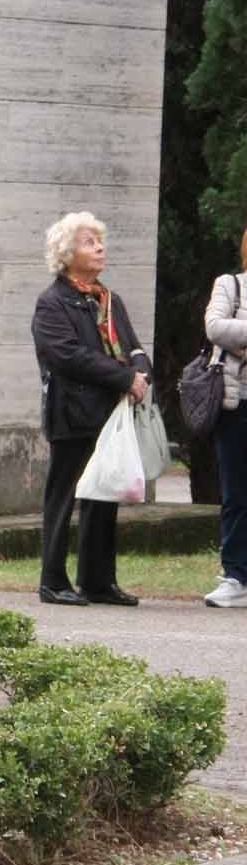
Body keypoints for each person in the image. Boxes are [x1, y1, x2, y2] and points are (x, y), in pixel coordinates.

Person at [31, 212, 151, 607]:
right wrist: (123, 378)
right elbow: (68, 356)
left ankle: (98, 582)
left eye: (99, 241)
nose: (99, 248)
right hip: (71, 412)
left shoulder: (106, 298)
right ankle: (52, 580)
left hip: (108, 413)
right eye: (88, 242)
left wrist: (141, 373)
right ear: (67, 254)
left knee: (104, 496)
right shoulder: (52, 302)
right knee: (64, 495)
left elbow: (133, 346)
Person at [202, 234, 247, 607]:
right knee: (236, 494)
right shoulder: (230, 284)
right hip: (236, 405)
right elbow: (215, 327)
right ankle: (235, 576)